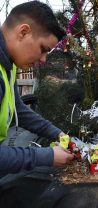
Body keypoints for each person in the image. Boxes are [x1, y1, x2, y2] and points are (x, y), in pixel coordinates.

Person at [0, 1, 74, 174]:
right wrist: (47, 156)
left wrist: (57, 134)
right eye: (43, 49)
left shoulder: (7, 66)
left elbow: (19, 110)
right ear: (23, 32)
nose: (43, 60)